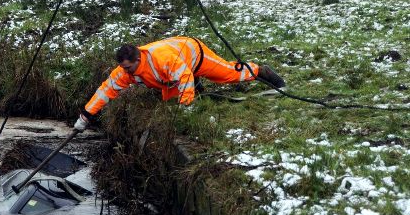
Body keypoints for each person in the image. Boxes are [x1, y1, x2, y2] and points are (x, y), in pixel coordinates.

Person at [74, 36, 285, 131]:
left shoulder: (163, 59)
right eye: (123, 68)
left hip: (193, 54)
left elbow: (184, 76)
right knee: (170, 102)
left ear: (138, 60)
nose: (124, 72)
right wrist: (85, 116)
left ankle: (261, 71)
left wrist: (186, 107)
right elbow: (105, 91)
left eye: (128, 67)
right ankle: (197, 88)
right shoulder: (125, 72)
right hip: (170, 78)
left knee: (228, 75)